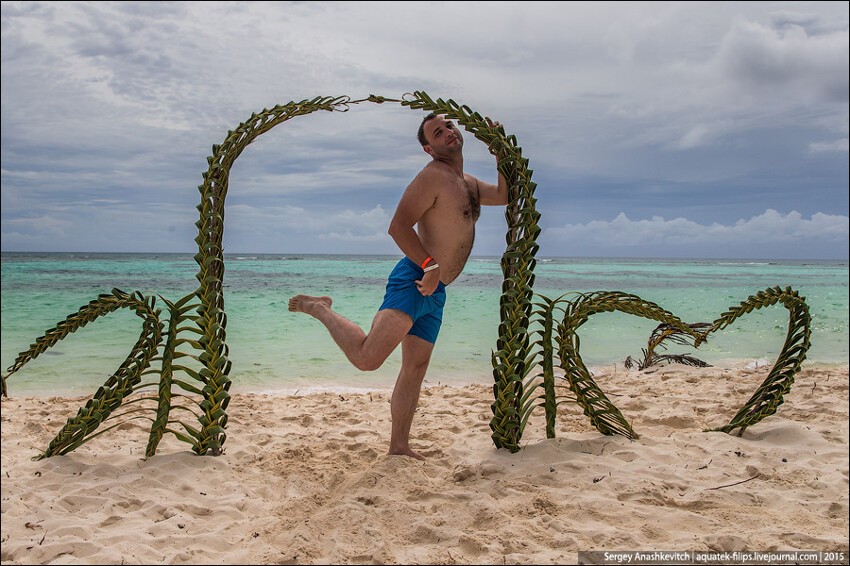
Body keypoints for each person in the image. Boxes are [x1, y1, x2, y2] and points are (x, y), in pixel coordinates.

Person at [289, 113, 508, 460]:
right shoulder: (431, 177)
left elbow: (504, 194)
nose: (448, 132)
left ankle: (399, 446)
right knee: (367, 358)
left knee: (415, 369)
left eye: (449, 126)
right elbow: (398, 227)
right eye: (438, 133)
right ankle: (320, 308)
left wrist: (500, 151)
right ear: (428, 148)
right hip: (416, 279)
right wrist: (430, 264)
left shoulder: (468, 182)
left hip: (436, 291)